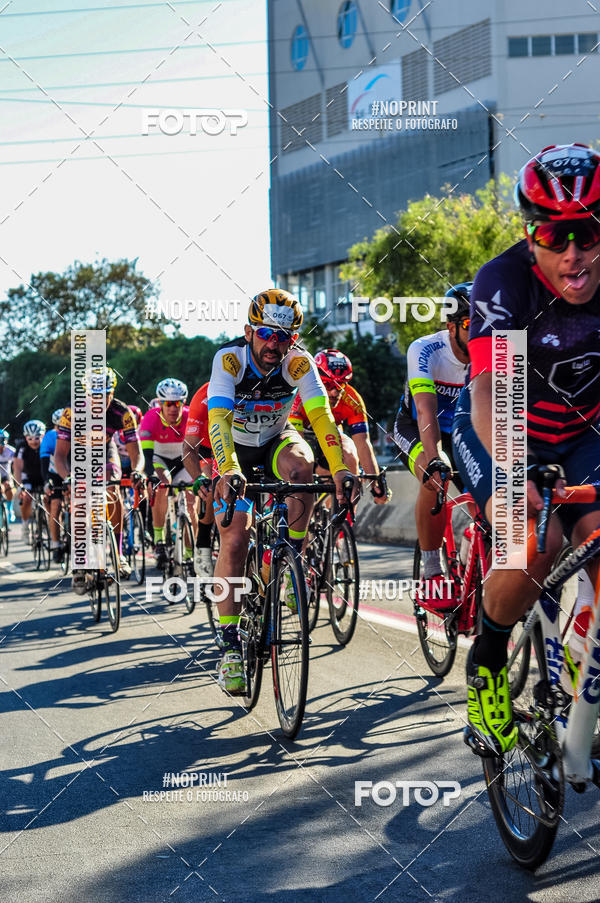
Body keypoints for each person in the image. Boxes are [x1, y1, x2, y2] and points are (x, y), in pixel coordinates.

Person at [453, 142, 600, 755]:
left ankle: (580, 662)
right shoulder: (504, 282)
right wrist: (518, 472)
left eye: (588, 233)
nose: (573, 253)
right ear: (529, 232)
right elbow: (493, 387)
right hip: (503, 427)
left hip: (586, 430)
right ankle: (486, 661)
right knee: (536, 540)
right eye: (554, 234)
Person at [208, 289, 357, 694]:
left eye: (284, 336)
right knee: (236, 540)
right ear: (248, 331)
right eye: (266, 334)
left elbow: (322, 417)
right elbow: (218, 420)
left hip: (275, 440)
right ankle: (229, 646)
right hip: (235, 449)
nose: (274, 344)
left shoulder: (298, 363)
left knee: (302, 469)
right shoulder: (230, 360)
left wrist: (341, 469)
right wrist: (229, 469)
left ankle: (290, 556)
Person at [393, 285, 471, 604]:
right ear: (450, 326)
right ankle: (432, 572)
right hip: (418, 427)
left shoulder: (499, 348)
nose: (481, 331)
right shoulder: (425, 349)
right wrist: (436, 456)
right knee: (435, 474)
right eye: (469, 323)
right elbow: (426, 411)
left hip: (466, 430)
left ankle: (477, 556)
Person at [54, 367, 144, 593]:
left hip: (105, 451)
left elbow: (136, 454)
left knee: (113, 491)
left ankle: (119, 554)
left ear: (112, 393)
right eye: (94, 395)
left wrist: (138, 471)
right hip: (78, 455)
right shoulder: (71, 412)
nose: (99, 400)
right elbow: (59, 456)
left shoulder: (122, 412)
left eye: (104, 394)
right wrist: (69, 478)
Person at [289, 349, 390, 504]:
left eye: (340, 384)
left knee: (350, 454)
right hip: (301, 435)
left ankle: (343, 515)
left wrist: (374, 481)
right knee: (303, 465)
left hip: (330, 436)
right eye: (328, 385)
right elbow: (297, 443)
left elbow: (362, 443)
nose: (335, 392)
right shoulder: (300, 395)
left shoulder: (352, 398)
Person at [138, 379, 196, 569]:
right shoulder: (150, 418)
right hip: (160, 460)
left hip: (183, 460)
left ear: (183, 403)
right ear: (160, 404)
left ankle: (191, 553)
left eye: (177, 403)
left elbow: (201, 451)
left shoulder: (190, 417)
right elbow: (146, 455)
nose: (173, 408)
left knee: (192, 504)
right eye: (168, 403)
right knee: (161, 485)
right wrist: (150, 476)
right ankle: (159, 541)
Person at [182, 381, 216, 580]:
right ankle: (203, 544)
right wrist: (199, 478)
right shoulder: (205, 394)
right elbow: (188, 448)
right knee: (209, 485)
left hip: (241, 445)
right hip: (207, 446)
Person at [13, 420, 46, 542]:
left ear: (43, 435)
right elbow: (17, 467)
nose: (34, 441)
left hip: (44, 476)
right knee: (26, 497)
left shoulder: (47, 444)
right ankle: (25, 527)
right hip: (28, 476)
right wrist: (20, 486)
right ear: (25, 438)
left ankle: (46, 522)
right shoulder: (21, 446)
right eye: (30, 438)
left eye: (37, 438)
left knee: (51, 497)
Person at [40, 408, 66, 563]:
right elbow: (44, 461)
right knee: (55, 505)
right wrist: (46, 481)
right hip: (55, 474)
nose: (61, 430)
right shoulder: (50, 437)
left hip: (73, 472)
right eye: (58, 427)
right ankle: (56, 544)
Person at [0, 430, 16, 521]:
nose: (1, 447)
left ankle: (10, 509)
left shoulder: (11, 451)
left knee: (9, 486)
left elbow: (16, 466)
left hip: (6, 473)